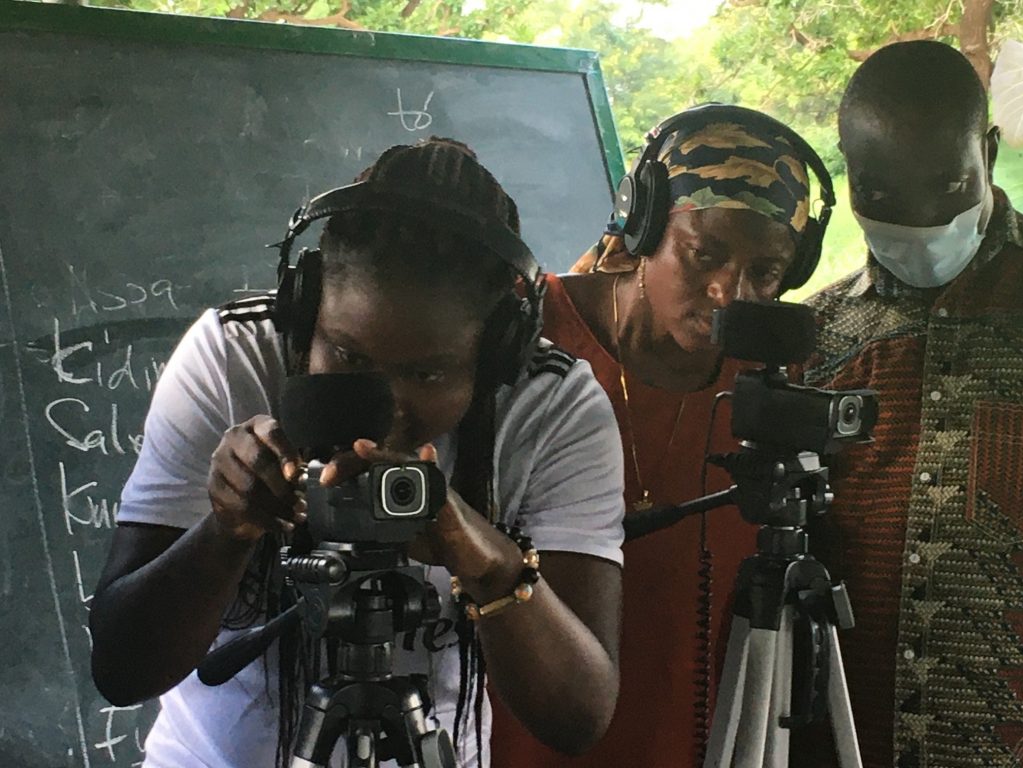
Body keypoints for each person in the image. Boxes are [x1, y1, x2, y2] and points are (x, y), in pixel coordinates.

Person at [88, 138, 626, 767]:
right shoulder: (233, 359)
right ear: (307, 309)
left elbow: (577, 717)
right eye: (349, 358)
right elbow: (121, 671)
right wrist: (226, 530)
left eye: (426, 375)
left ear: (496, 353)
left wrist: (486, 562)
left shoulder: (552, 404)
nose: (387, 412)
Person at [490, 104, 834, 768]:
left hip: (695, 726)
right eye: (705, 253)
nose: (729, 291)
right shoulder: (524, 330)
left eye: (765, 272)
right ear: (645, 226)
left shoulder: (772, 385)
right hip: (525, 725)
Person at [794, 40, 1023, 768]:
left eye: (951, 186)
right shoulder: (815, 341)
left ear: (987, 152)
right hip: (850, 742)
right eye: (884, 196)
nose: (922, 221)